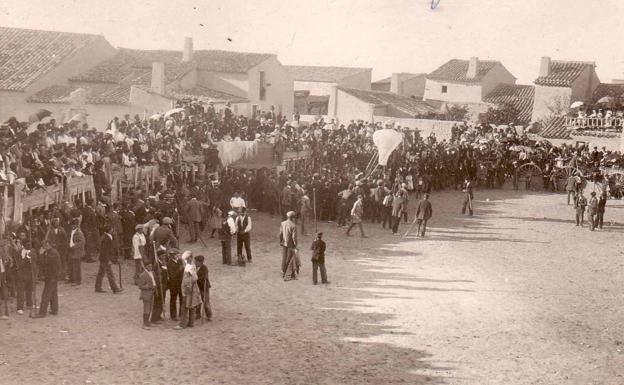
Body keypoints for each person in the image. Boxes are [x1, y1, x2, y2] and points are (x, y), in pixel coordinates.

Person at [33, 239, 61, 318]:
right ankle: (54, 309)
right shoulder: (48, 252)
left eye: (44, 245)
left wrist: (41, 254)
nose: (43, 247)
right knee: (53, 293)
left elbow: (46, 262)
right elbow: (41, 262)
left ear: (48, 244)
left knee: (46, 294)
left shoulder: (53, 253)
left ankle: (42, 313)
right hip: (50, 276)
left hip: (52, 276)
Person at [175, 252, 202, 330]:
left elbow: (194, 278)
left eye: (186, 258)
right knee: (190, 306)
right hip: (189, 288)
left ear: (190, 258)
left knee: (185, 307)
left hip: (188, 289)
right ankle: (191, 322)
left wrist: (188, 285)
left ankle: (182, 324)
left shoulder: (190, 266)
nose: (185, 260)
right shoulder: (189, 265)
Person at [95, 225, 123, 294]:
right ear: (110, 230)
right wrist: (109, 260)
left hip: (103, 258)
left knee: (101, 273)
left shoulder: (106, 237)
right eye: (112, 229)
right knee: (110, 273)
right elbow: (105, 251)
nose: (113, 231)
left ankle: (97, 287)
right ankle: (115, 288)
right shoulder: (107, 238)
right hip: (105, 259)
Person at [16, 241, 34, 315]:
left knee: (29, 289)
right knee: (21, 290)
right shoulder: (19, 252)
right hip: (21, 274)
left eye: (30, 244)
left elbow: (36, 262)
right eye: (27, 244)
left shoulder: (32, 251)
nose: (29, 246)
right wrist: (27, 257)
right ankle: (20, 307)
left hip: (30, 273)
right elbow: (20, 264)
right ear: (23, 245)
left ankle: (29, 304)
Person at [280, 211, 299, 281]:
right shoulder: (293, 225)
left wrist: (281, 241)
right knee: (289, 259)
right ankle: (286, 272)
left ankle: (282, 271)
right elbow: (294, 237)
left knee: (284, 258)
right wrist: (296, 245)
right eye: (294, 217)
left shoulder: (283, 223)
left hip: (284, 243)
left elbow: (280, 234)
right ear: (292, 217)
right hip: (290, 244)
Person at [137, 262, 156, 329]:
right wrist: (147, 286)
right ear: (145, 267)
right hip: (146, 294)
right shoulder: (143, 275)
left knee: (150, 308)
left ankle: (147, 321)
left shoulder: (153, 273)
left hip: (152, 293)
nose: (150, 267)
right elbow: (140, 286)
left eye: (151, 266)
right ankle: (144, 324)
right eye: (149, 266)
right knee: (146, 308)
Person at [166, 248, 183, 321]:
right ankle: (173, 315)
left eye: (176, 254)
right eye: (173, 255)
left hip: (181, 283)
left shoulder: (180, 261)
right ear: (170, 256)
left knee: (182, 298)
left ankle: (182, 313)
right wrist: (180, 269)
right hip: (173, 284)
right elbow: (172, 275)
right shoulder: (169, 264)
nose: (175, 256)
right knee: (173, 299)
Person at [194, 255, 212, 321]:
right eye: (195, 261)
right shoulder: (194, 267)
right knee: (197, 301)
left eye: (196, 261)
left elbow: (204, 277)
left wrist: (196, 279)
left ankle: (209, 315)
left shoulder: (204, 268)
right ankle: (197, 314)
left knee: (206, 301)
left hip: (203, 287)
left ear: (200, 262)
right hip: (196, 287)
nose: (195, 262)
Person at [69, 218, 85, 285]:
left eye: (74, 225)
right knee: (73, 266)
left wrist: (74, 246)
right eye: (72, 225)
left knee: (77, 267)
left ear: (76, 225)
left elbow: (82, 242)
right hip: (72, 251)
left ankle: (77, 281)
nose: (73, 226)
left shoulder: (79, 232)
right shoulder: (72, 231)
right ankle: (73, 279)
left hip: (77, 251)